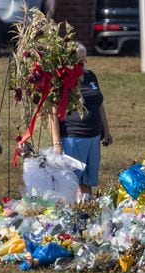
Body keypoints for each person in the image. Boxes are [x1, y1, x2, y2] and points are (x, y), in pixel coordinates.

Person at [50, 43, 113, 203]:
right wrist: (57, 143)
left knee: (88, 180)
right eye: (78, 58)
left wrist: (106, 130)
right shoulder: (61, 80)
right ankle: (69, 214)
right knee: (71, 181)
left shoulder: (90, 76)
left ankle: (86, 210)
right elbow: (53, 113)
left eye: (84, 58)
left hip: (94, 136)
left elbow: (99, 104)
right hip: (73, 136)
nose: (82, 62)